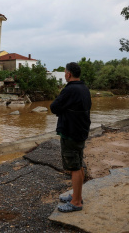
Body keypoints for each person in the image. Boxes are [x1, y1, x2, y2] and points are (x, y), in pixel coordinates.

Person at [50, 62, 91, 212]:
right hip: (81, 131)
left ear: (68, 74)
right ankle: (77, 196)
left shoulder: (70, 90)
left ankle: (76, 203)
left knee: (74, 167)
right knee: (78, 165)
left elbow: (54, 107)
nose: (65, 74)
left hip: (71, 133)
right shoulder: (84, 88)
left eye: (65, 72)